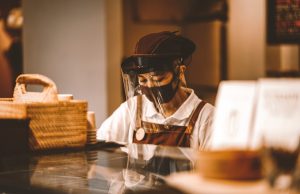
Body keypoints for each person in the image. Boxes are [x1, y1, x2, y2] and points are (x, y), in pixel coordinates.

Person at [97, 31, 214, 150]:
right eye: (142, 80)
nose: (150, 86)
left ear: (180, 71)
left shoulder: (206, 117)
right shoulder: (132, 109)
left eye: (159, 79)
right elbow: (100, 145)